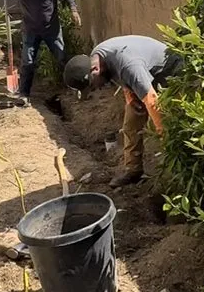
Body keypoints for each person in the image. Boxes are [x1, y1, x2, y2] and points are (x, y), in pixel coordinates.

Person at [64, 35, 182, 187]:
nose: (96, 90)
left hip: (172, 73)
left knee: (170, 124)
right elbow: (120, 77)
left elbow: (153, 102)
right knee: (131, 125)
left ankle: (181, 171)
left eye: (93, 86)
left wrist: (165, 137)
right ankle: (134, 171)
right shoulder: (98, 56)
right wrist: (131, 96)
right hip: (145, 73)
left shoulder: (128, 65)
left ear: (95, 69)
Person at [0, 0, 81, 101]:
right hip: (30, 29)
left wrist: (73, 10)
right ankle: (24, 94)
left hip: (51, 29)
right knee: (27, 62)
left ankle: (73, 88)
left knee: (61, 57)